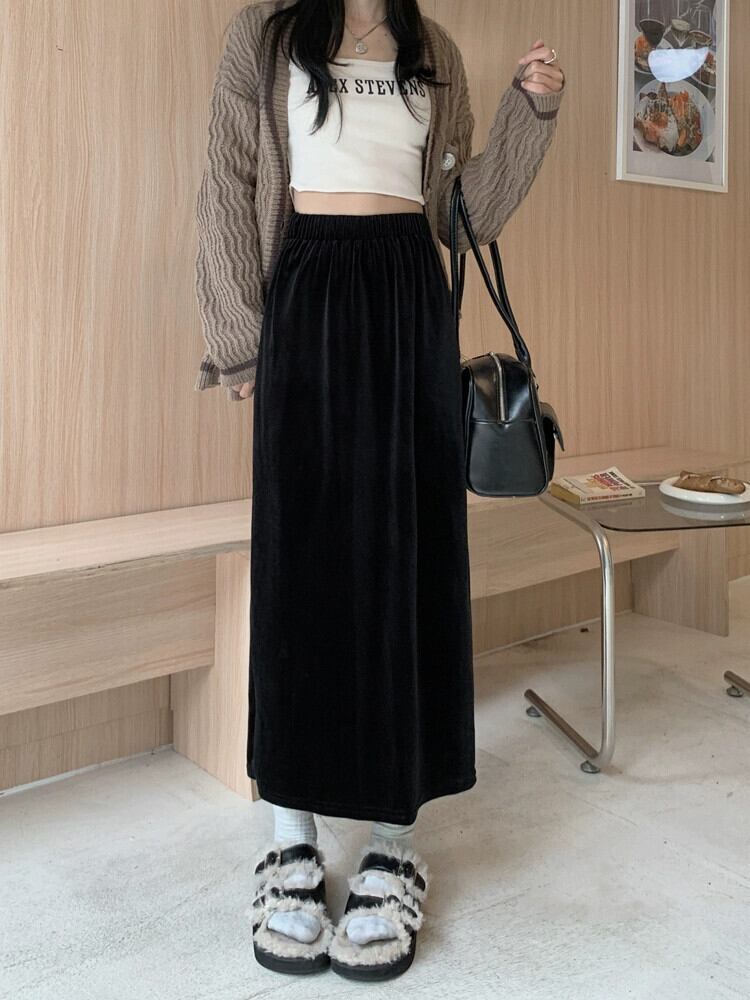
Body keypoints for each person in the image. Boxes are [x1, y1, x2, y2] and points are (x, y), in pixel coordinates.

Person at [194, 0, 565, 980]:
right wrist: (238, 337)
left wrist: (530, 115)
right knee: (299, 567)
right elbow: (228, 179)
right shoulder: (265, 34)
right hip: (304, 291)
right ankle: (290, 838)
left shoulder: (435, 50)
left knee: (411, 557)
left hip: (408, 300)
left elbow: (458, 214)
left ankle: (396, 845)